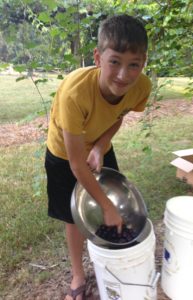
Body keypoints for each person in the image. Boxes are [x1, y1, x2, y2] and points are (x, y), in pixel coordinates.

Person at [45, 14, 151, 300]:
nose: (123, 75)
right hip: (64, 152)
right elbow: (76, 164)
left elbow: (118, 116)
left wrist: (101, 145)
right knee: (73, 215)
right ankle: (78, 274)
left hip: (98, 143)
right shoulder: (75, 93)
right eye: (114, 61)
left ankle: (109, 257)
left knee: (109, 200)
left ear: (143, 63)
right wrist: (107, 207)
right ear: (98, 57)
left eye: (134, 65)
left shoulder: (141, 87)